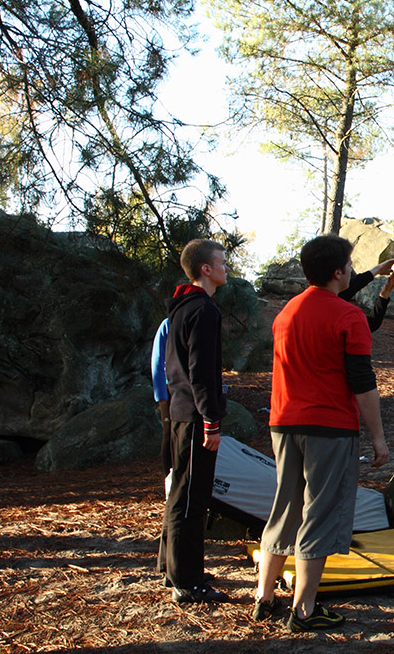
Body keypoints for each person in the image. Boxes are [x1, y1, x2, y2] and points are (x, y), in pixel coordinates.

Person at [253, 235, 389, 632]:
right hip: (329, 426)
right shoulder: (348, 318)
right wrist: (378, 437)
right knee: (321, 511)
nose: (351, 269)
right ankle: (305, 610)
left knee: (285, 505)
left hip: (284, 422)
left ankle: (264, 598)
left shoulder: (286, 312)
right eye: (349, 264)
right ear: (338, 272)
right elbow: (362, 382)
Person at [158, 239, 231, 604]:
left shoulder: (182, 308)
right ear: (206, 269)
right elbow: (200, 372)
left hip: (180, 412)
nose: (226, 267)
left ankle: (172, 567)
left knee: (181, 493)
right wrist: (211, 421)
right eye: (221, 261)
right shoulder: (202, 310)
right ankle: (186, 580)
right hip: (194, 416)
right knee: (190, 498)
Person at [341, 258, 394, 332]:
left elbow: (371, 324)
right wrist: (377, 270)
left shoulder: (332, 303)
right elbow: (371, 324)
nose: (351, 270)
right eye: (349, 266)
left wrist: (384, 294)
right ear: (338, 273)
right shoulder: (338, 312)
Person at [150, 318, 172, 477]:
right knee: (169, 433)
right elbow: (157, 360)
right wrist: (161, 395)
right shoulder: (167, 324)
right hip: (169, 388)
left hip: (190, 390)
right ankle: (169, 476)